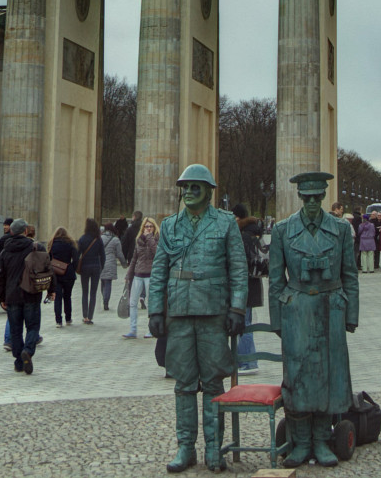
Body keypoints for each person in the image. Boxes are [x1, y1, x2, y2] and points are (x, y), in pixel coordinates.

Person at [148, 164, 248, 474]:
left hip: (213, 311)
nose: (189, 192)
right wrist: (155, 310)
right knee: (184, 383)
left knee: (214, 382)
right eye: (186, 187)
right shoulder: (170, 225)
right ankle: (185, 447)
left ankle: (214, 448)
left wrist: (237, 309)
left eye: (196, 187)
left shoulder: (225, 223)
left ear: (209, 192)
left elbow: (239, 269)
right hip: (179, 311)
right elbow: (159, 271)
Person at [265, 172, 360, 468]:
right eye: (307, 198)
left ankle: (322, 439)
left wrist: (351, 315)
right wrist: (277, 320)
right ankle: (302, 441)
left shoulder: (341, 229)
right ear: (300, 197)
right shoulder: (282, 230)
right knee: (298, 375)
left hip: (331, 307)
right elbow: (275, 279)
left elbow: (350, 274)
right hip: (298, 309)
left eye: (317, 197)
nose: (312, 203)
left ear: (323, 197)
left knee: (331, 375)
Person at [0, 219, 46, 374]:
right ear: (25, 231)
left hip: (12, 296)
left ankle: (19, 361)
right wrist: (51, 290)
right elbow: (46, 270)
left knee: (15, 330)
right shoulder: (36, 248)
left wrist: (2, 297)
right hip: (31, 294)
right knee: (33, 327)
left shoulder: (5, 251)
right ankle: (28, 351)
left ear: (11, 232)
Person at [233, 204, 265, 372]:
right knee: (246, 322)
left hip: (244, 285)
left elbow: (240, 263)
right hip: (253, 283)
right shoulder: (255, 232)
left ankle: (247, 362)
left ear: (237, 217)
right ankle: (246, 360)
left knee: (243, 324)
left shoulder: (243, 235)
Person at [123, 217, 159, 339]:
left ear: (154, 227)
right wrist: (129, 274)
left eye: (150, 226)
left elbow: (157, 253)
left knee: (150, 303)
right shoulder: (139, 240)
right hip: (138, 275)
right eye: (146, 226)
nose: (148, 228)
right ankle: (133, 329)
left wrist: (149, 238)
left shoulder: (157, 239)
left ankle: (151, 329)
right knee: (133, 303)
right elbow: (134, 258)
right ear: (143, 227)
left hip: (151, 275)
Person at [76, 217, 105, 324]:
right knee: (93, 292)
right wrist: (101, 267)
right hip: (96, 267)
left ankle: (85, 316)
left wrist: (76, 266)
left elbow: (77, 254)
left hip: (85, 267)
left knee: (85, 292)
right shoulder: (98, 239)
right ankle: (90, 316)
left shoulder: (82, 239)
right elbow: (103, 255)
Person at [48, 226, 78, 327]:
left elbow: (48, 259)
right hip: (69, 274)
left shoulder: (52, 244)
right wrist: (71, 268)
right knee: (67, 296)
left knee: (57, 297)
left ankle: (58, 321)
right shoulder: (71, 243)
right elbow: (76, 259)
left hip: (55, 274)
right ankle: (68, 318)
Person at [100, 220, 124, 311]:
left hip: (100, 263)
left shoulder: (100, 238)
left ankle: (104, 297)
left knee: (103, 281)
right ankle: (106, 301)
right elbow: (119, 254)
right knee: (108, 282)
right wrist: (124, 264)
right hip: (110, 263)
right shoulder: (115, 239)